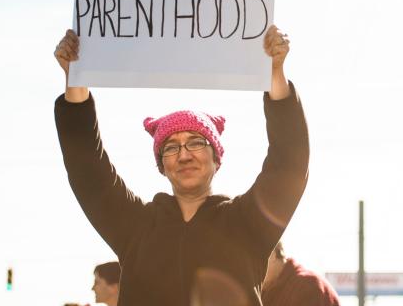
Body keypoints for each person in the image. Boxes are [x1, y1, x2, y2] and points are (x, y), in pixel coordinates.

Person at [54, 24, 309, 306]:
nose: (184, 155)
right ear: (161, 165)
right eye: (171, 147)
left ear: (216, 158)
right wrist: (75, 81)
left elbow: (289, 164)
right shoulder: (134, 227)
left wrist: (275, 75)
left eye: (196, 142)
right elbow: (88, 170)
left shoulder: (248, 223)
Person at [261, 242, 340, 306]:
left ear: (271, 254)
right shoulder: (267, 291)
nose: (251, 273)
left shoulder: (308, 287)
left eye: (252, 263)